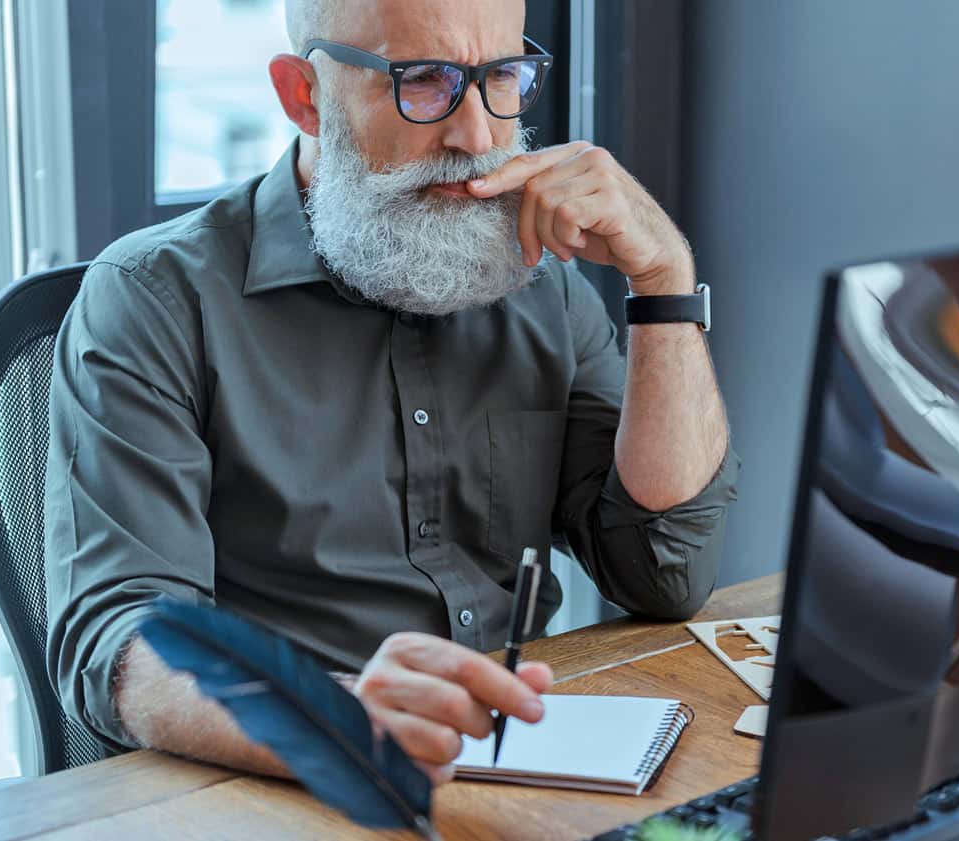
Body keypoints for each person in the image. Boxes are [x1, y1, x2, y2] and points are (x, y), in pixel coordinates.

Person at [43, 0, 737, 785]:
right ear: (303, 94)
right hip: (280, 782)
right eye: (426, 81)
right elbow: (121, 641)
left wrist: (663, 282)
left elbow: (664, 570)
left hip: (518, 771)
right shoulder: (154, 299)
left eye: (500, 76)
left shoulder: (544, 284)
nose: (476, 135)